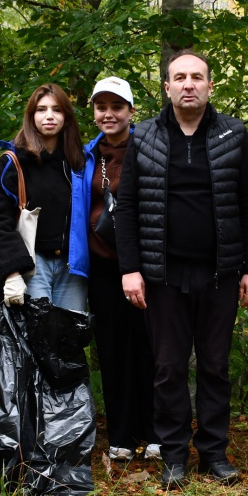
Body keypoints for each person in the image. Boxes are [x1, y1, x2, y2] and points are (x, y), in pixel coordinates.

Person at [112, 50, 248, 487]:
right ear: (167, 87)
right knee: (168, 367)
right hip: (162, 277)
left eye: (197, 77)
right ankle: (174, 455)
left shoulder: (233, 134)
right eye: (179, 77)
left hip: (220, 274)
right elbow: (128, 208)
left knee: (215, 365)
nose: (188, 84)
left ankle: (213, 453)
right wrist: (130, 269)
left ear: (210, 86)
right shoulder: (144, 136)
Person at [82, 77, 159, 462]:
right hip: (102, 265)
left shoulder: (150, 150)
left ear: (131, 111)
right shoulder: (86, 156)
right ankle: (122, 436)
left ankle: (157, 432)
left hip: (147, 265)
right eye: (101, 107)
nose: (108, 114)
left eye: (117, 106)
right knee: (112, 351)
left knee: (153, 347)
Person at [0, 83, 90, 312]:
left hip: (72, 266)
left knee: (69, 340)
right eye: (41, 109)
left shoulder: (79, 163)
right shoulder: (13, 162)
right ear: (32, 116)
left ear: (66, 116)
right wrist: (13, 270)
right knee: (37, 339)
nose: (49, 116)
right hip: (33, 264)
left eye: (57, 110)